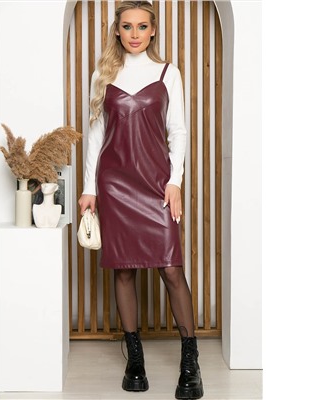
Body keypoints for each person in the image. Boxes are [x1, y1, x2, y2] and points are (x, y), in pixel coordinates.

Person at [78, 1, 203, 399]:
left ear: (153, 31)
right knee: (124, 270)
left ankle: (190, 361)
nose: (135, 34)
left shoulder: (168, 73)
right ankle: (135, 360)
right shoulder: (103, 74)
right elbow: (96, 135)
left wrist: (175, 181)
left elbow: (178, 131)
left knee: (171, 269)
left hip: (155, 183)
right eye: (128, 26)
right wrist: (89, 187)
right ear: (117, 31)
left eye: (142, 26)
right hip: (115, 184)